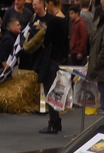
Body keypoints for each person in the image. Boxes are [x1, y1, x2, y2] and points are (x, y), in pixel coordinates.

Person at [32, 0, 68, 133]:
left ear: (50, 3)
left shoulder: (54, 20)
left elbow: (46, 41)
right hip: (58, 59)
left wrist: (41, 30)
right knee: (55, 91)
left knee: (50, 91)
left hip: (50, 59)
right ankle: (56, 122)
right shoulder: (64, 18)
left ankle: (53, 124)